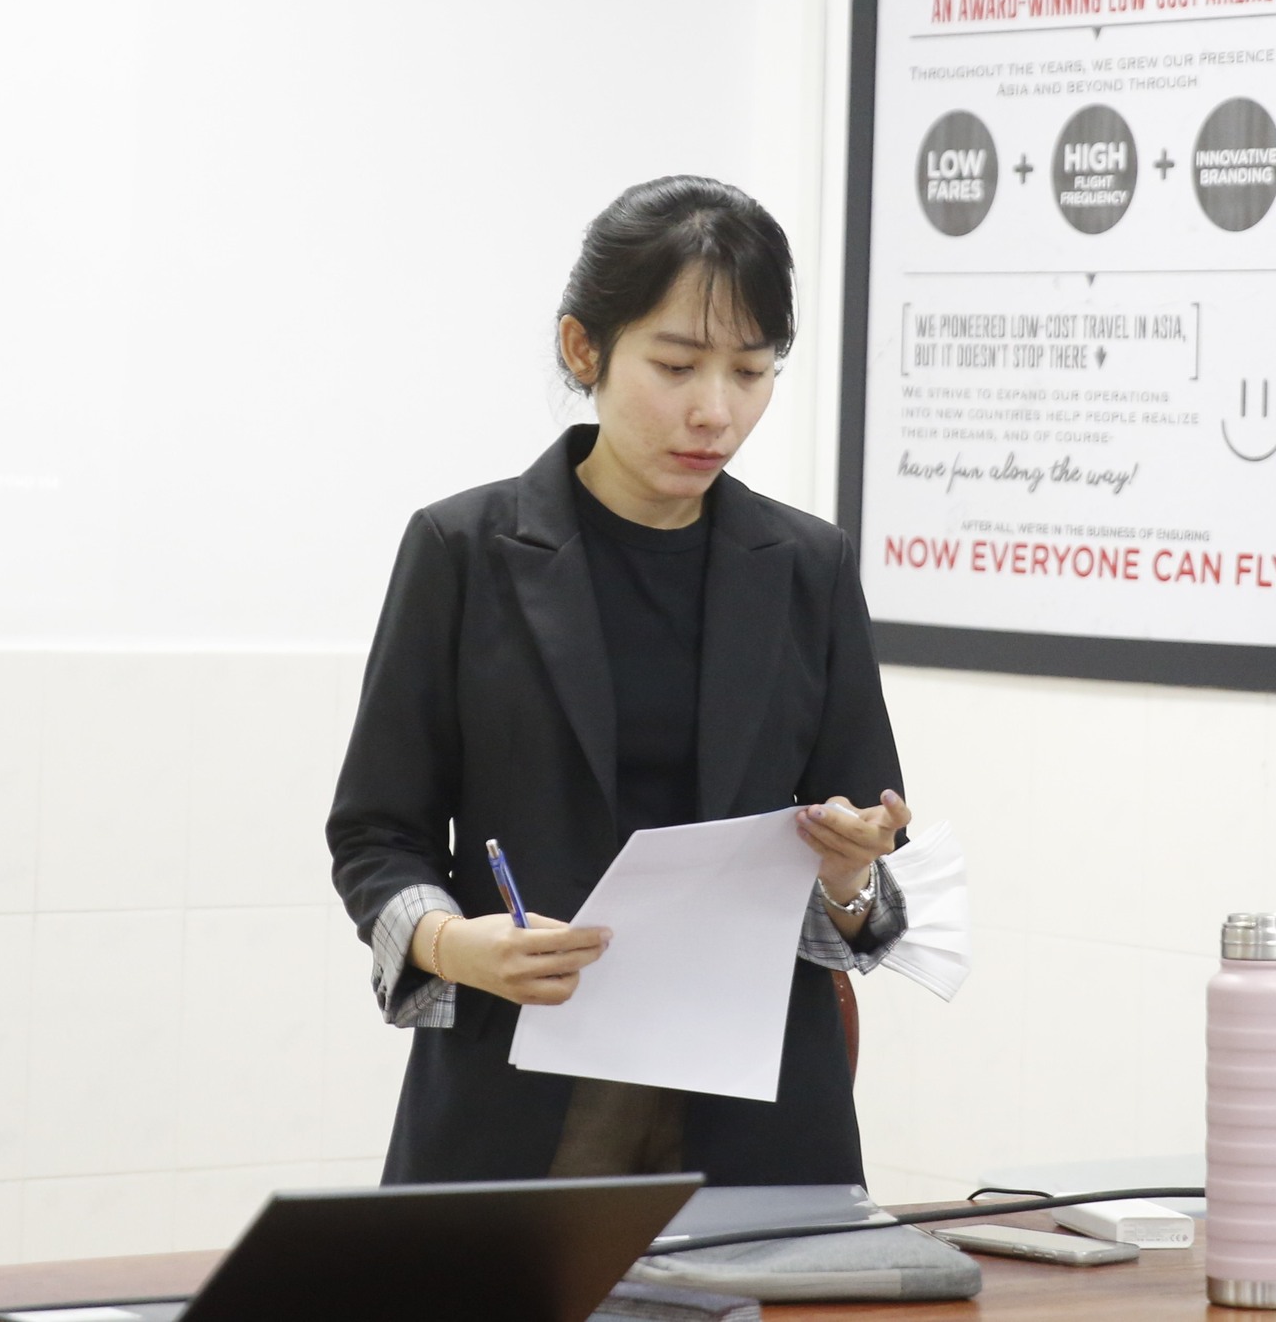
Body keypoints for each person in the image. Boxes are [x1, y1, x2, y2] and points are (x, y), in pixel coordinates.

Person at [327, 175, 914, 1187]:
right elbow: (377, 834)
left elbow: (865, 853)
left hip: (757, 1104)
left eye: (751, 371)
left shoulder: (806, 566)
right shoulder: (462, 550)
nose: (715, 410)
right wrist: (450, 944)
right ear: (582, 349)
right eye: (676, 365)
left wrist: (851, 879)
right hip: (519, 1090)